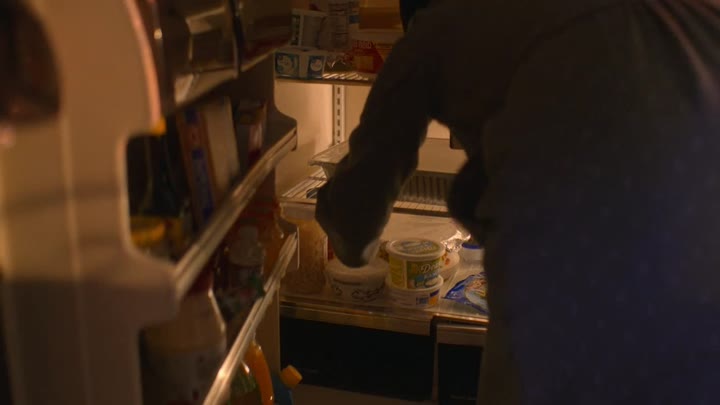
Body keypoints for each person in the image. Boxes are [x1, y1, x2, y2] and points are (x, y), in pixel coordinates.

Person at [315, 0, 720, 404]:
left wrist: (330, 208)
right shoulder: (689, 15)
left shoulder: (437, 27)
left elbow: (355, 226)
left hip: (562, 331)